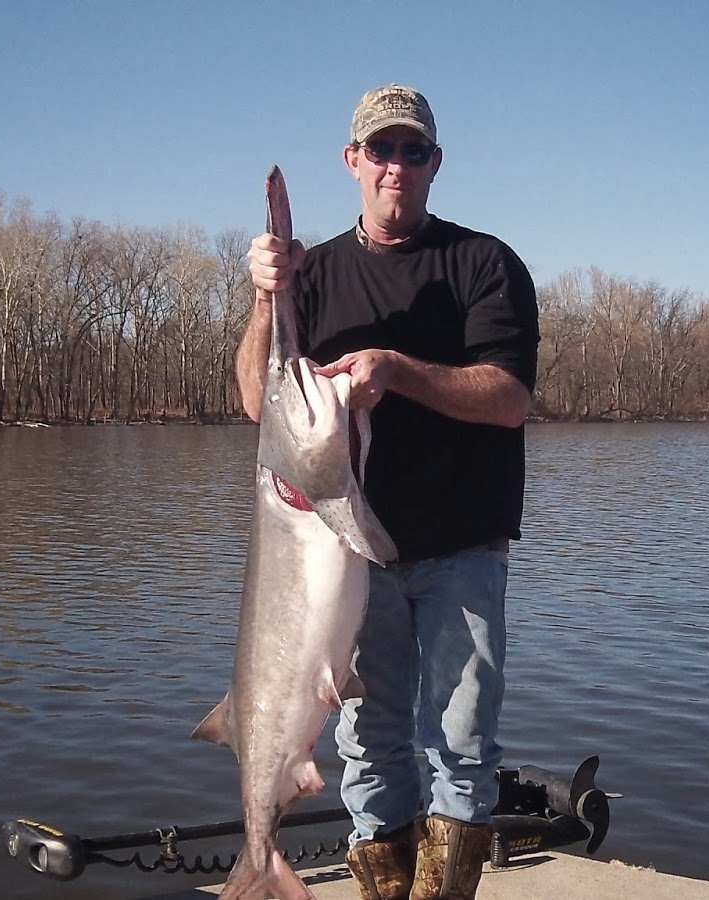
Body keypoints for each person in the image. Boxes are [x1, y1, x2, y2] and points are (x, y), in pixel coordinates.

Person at [238, 84, 539, 900]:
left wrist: (396, 369)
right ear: (353, 162)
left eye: (413, 151)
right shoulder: (317, 271)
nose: (395, 165)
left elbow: (509, 398)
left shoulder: (485, 264)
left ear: (435, 163)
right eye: (381, 150)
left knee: (461, 745)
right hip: (351, 558)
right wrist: (267, 299)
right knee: (371, 746)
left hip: (461, 551)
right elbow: (257, 401)